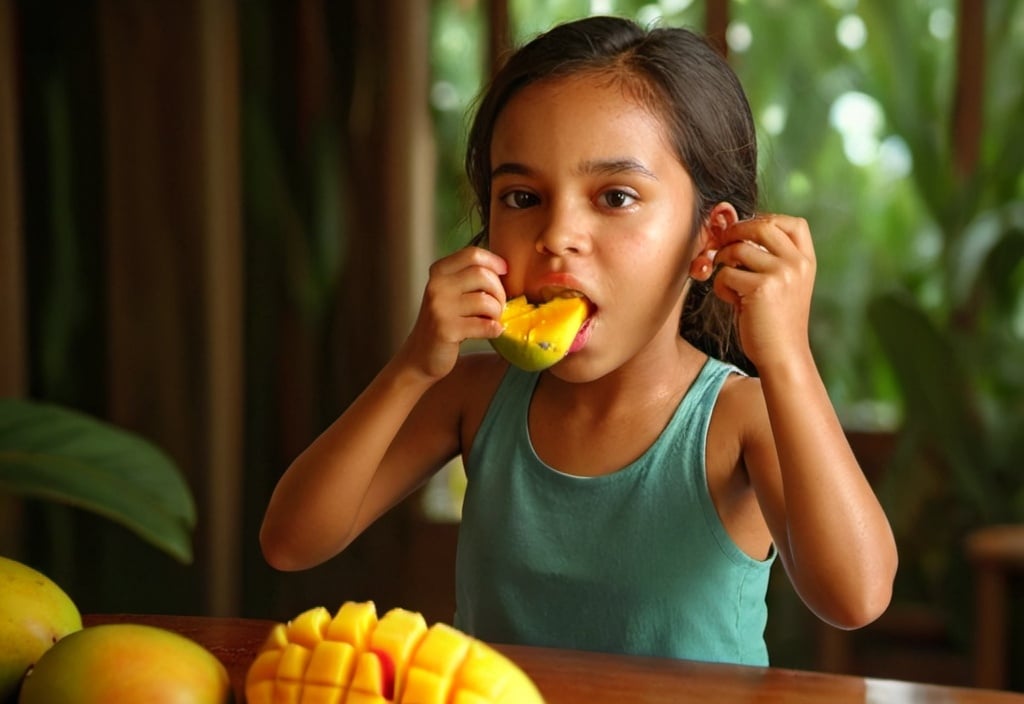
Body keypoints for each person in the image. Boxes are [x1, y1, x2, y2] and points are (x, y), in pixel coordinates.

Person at [260, 15, 898, 666]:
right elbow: (290, 541)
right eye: (522, 196)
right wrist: (411, 368)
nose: (557, 234)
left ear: (709, 239)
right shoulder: (471, 399)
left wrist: (786, 356)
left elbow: (857, 597)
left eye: (615, 196)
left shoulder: (738, 420)